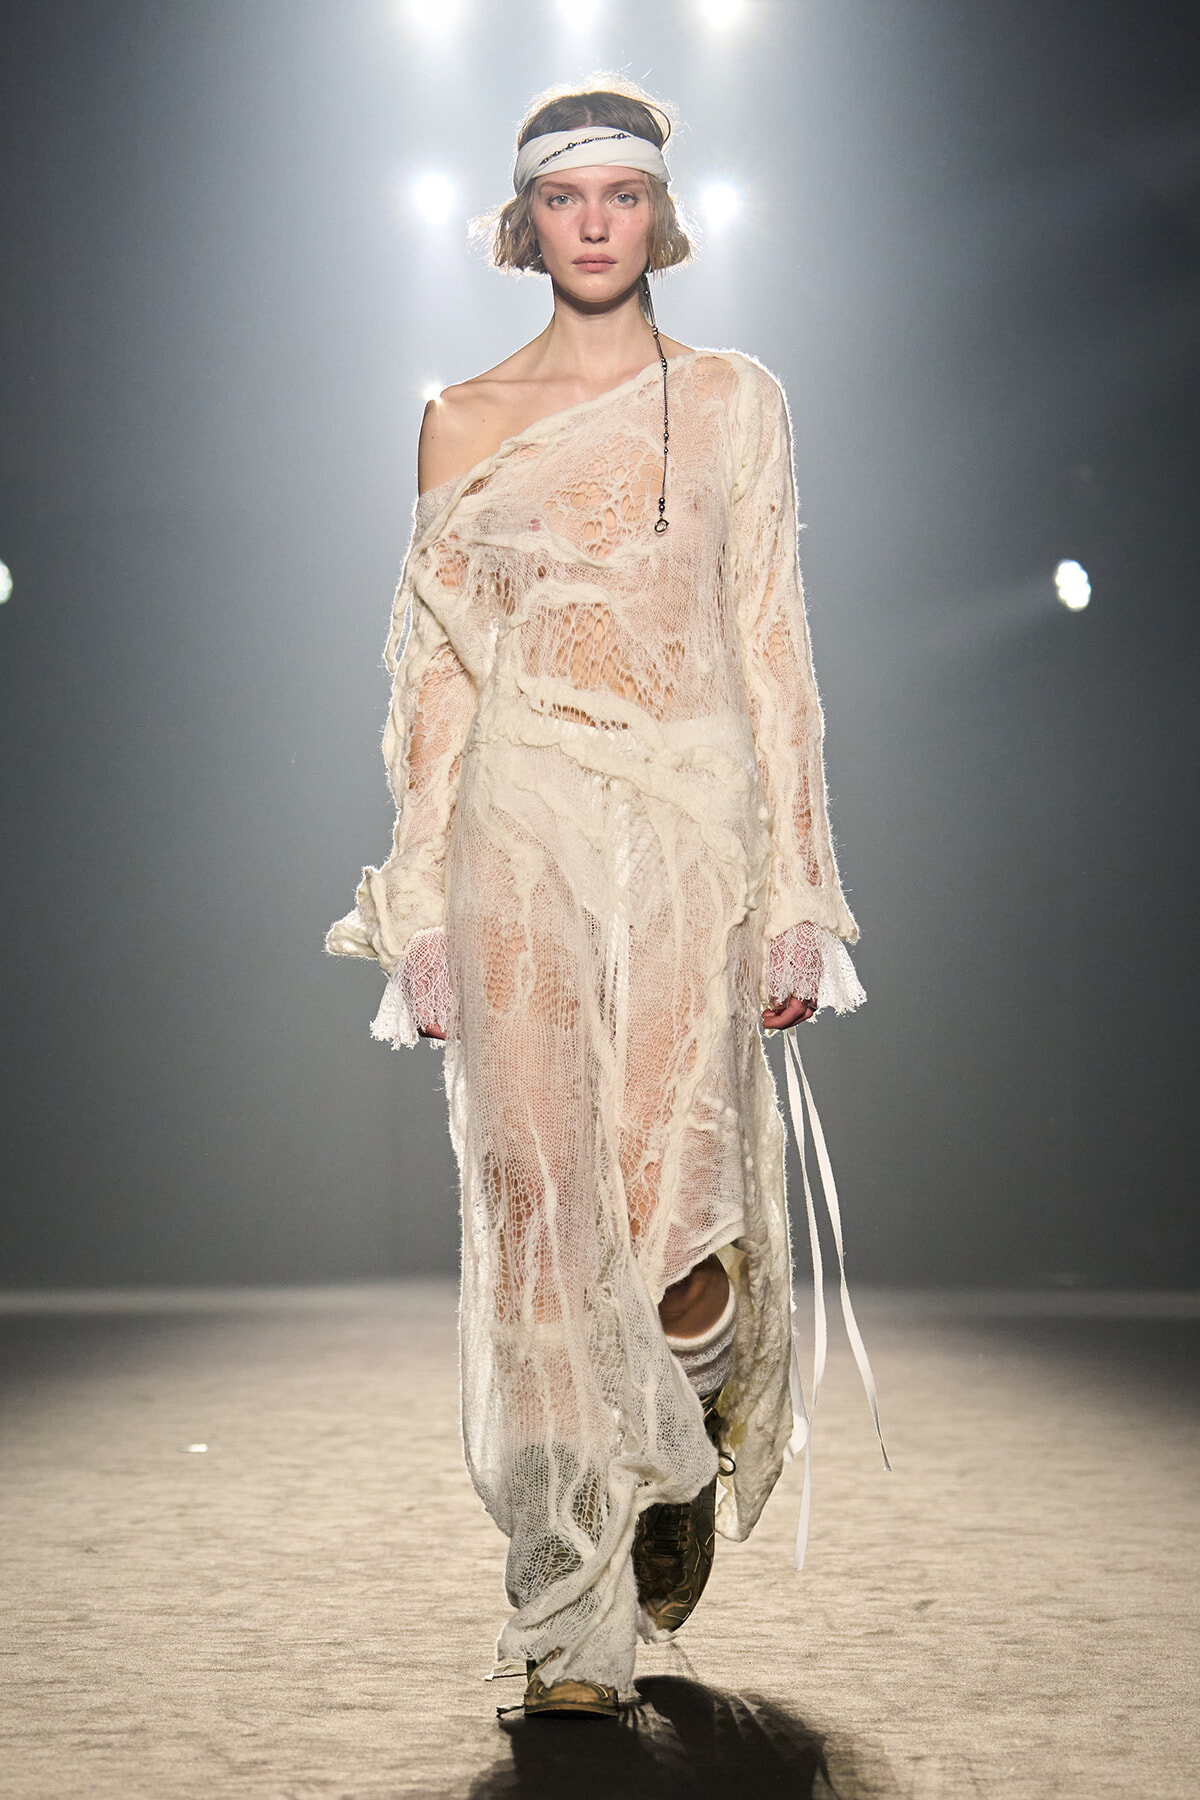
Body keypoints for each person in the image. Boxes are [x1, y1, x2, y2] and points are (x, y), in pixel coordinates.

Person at [326, 80, 868, 1719]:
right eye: (565, 196)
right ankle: (567, 1629)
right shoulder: (461, 417)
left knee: (683, 1235)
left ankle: (674, 1449)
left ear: (658, 215)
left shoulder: (734, 403)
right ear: (524, 220)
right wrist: (418, 904)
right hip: (523, 836)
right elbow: (434, 684)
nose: (593, 220)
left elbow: (775, 642)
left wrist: (801, 888)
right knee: (542, 1221)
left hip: (694, 836)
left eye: (621, 193)